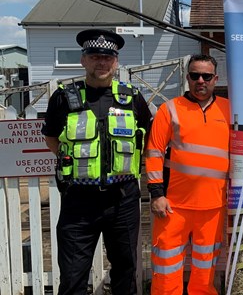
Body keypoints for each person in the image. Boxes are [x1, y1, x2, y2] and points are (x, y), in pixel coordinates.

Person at [42, 29, 152, 295]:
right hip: (79, 201)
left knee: (126, 271)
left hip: (122, 199)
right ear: (83, 60)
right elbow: (52, 139)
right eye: (94, 56)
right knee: (72, 275)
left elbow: (148, 140)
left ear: (116, 62)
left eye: (107, 57)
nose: (101, 62)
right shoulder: (63, 97)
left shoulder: (132, 97)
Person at [145, 54, 230, 295]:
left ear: (215, 78)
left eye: (206, 76)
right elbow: (153, 153)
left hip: (213, 206)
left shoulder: (228, 109)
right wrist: (156, 194)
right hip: (174, 206)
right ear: (187, 78)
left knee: (205, 273)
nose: (200, 80)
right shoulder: (169, 109)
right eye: (194, 75)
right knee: (166, 270)